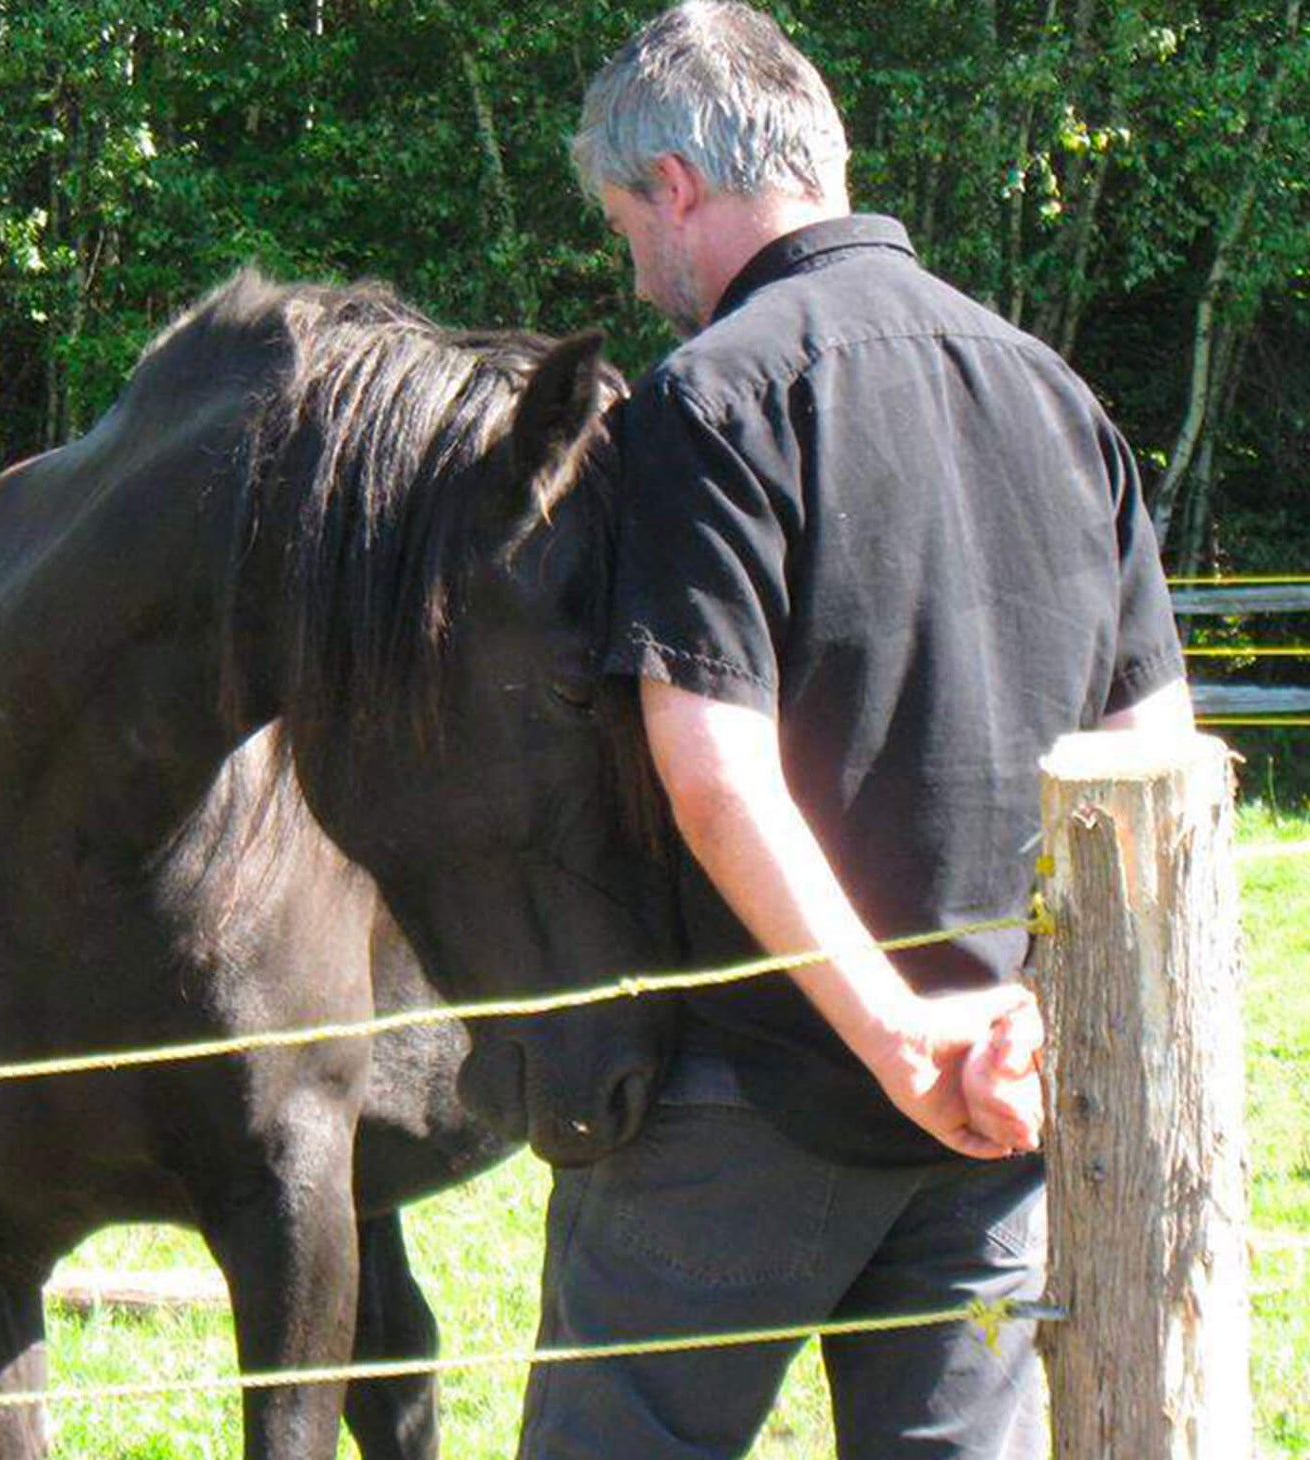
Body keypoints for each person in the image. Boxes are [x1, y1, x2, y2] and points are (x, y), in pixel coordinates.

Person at [517, 5, 1192, 1457]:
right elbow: (1156, 762)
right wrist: (1015, 1024)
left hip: (748, 1091)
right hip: (1001, 1094)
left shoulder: (709, 404)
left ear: (676, 188)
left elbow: (711, 773)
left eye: (625, 222)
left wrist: (893, 1038)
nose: (634, 267)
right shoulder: (1055, 393)